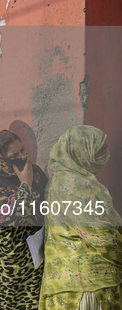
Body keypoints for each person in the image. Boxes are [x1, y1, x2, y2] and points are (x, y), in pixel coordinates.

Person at [39, 125, 122, 310]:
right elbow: (105, 239)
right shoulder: (82, 186)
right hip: (90, 287)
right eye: (100, 150)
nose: (105, 156)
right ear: (82, 152)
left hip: (60, 284)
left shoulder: (56, 181)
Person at [0, 130, 47, 310]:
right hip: (3, 261)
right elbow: (12, 219)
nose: (23, 156)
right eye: (14, 155)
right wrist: (25, 185)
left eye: (23, 150)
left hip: (31, 258)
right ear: (0, 158)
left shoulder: (35, 173)